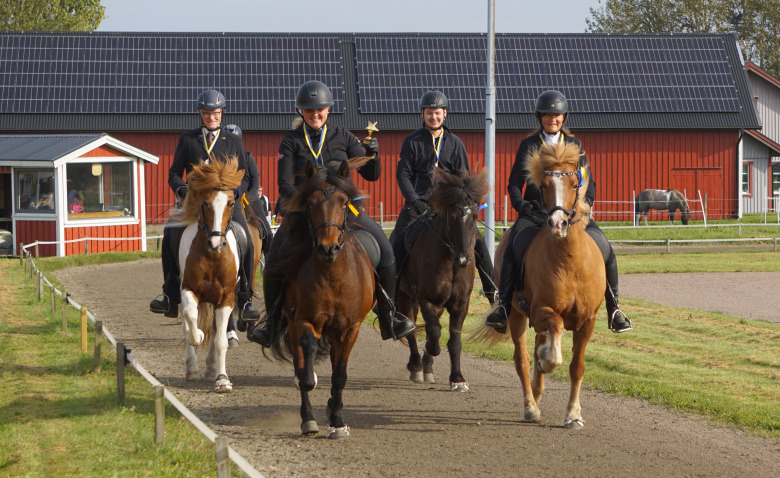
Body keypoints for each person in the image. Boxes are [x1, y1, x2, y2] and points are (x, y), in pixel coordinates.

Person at [248, 80, 416, 347]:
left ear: (328, 110)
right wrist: (307, 204)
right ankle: (272, 323)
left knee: (385, 249)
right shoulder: (291, 141)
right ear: (301, 112)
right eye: (310, 111)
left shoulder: (344, 136)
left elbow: (372, 175)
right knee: (275, 258)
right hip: (305, 212)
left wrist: (375, 155)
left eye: (320, 110)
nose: (315, 115)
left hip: (344, 210)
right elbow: (284, 185)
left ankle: (389, 314)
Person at [485, 90, 632, 334]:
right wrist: (520, 204)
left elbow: (588, 180)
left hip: (571, 215)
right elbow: (513, 183)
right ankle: (502, 307)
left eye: (556, 115)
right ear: (539, 117)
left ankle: (614, 309)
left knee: (606, 248)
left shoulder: (575, 145)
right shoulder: (529, 145)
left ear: (564, 117)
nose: (552, 119)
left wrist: (587, 204)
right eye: (547, 115)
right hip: (535, 214)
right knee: (512, 248)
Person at [149, 89, 262, 322]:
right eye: (207, 113)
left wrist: (236, 192)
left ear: (222, 114)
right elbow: (173, 174)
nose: (212, 117)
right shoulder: (188, 140)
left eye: (216, 113)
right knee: (170, 230)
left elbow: (245, 176)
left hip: (226, 203)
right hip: (194, 203)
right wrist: (183, 190)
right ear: (200, 114)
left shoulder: (232, 141)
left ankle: (246, 297)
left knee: (247, 240)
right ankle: (170, 295)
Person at [390, 90, 497, 304]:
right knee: (396, 244)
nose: (433, 117)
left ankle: (493, 292)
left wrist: (463, 203)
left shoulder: (455, 142)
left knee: (478, 244)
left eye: (437, 113)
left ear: (445, 114)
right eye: (429, 113)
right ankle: (389, 298)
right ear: (423, 114)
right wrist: (414, 200)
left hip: (449, 208)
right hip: (418, 204)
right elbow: (403, 174)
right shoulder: (411, 142)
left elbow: (463, 176)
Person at [224, 124, 273, 252]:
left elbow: (254, 178)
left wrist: (249, 196)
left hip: (248, 197)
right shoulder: (221, 159)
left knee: (267, 232)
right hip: (227, 197)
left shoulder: (246, 157)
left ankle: (270, 261)